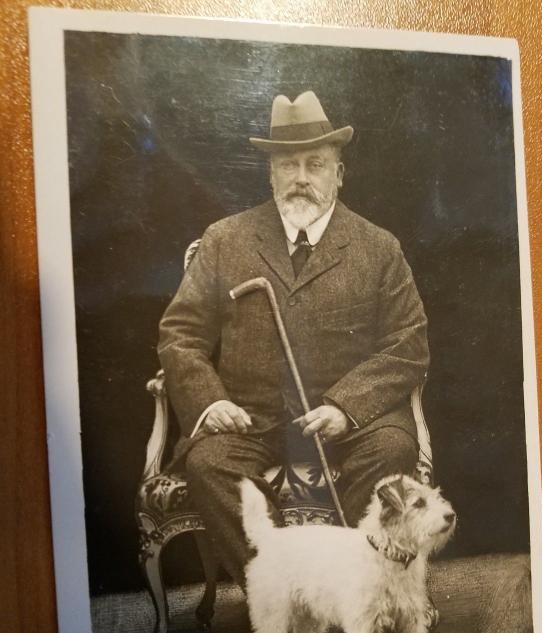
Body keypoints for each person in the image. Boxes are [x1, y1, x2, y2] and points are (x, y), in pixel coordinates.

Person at [158, 91, 429, 586]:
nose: (302, 178)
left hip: (352, 423)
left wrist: (345, 408)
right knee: (208, 463)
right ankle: (284, 592)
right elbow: (180, 334)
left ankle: (350, 588)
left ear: (338, 174)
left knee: (393, 450)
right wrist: (209, 401)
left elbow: (407, 344)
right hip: (251, 418)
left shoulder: (378, 247)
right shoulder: (225, 240)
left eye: (316, 164)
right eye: (288, 165)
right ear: (270, 174)